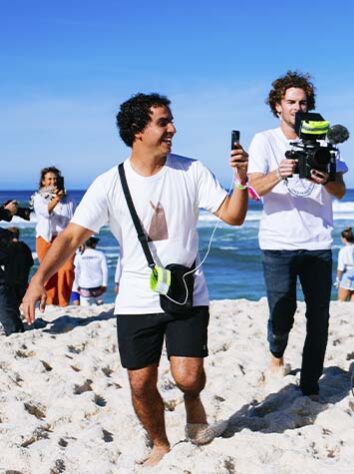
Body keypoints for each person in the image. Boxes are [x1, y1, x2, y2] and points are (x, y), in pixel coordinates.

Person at [20, 92, 250, 466]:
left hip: (186, 292)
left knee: (188, 377)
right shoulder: (110, 182)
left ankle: (194, 402)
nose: (173, 128)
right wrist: (38, 278)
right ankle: (160, 443)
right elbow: (72, 237)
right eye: (163, 122)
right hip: (135, 298)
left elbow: (233, 216)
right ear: (137, 132)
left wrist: (240, 181)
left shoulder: (191, 170)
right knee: (141, 383)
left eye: (170, 120)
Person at [246, 71, 348, 394]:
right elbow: (254, 187)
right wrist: (279, 172)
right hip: (278, 243)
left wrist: (325, 179)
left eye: (303, 102)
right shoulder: (264, 141)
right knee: (283, 313)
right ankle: (277, 352)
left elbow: (340, 190)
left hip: (318, 241)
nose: (297, 107)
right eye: (291, 102)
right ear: (278, 106)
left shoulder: (325, 140)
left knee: (320, 317)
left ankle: (309, 386)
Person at [32, 167, 76, 306]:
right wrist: (57, 198)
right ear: (43, 182)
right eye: (49, 179)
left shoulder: (69, 198)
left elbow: (74, 218)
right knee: (48, 273)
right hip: (45, 238)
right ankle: (50, 303)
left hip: (64, 238)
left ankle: (63, 303)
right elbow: (45, 212)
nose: (53, 181)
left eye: (55, 179)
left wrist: (80, 239)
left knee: (67, 269)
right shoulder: (38, 198)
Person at [72, 236, 109, 306]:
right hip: (98, 288)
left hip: (85, 288)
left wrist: (76, 285)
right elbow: (105, 270)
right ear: (94, 244)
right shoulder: (100, 254)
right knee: (100, 305)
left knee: (85, 307)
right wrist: (104, 284)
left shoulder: (79, 256)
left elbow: (76, 272)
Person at [336, 227, 354, 302]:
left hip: (347, 275)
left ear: (344, 239)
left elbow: (340, 267)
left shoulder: (343, 250)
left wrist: (338, 279)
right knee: (353, 303)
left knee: (341, 301)